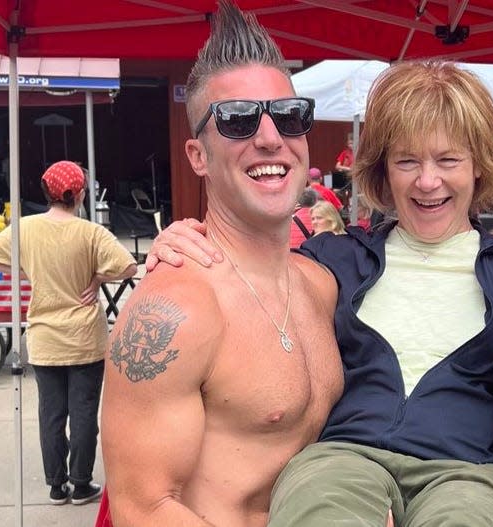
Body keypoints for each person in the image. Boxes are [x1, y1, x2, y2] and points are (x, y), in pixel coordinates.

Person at [147, 60, 493, 527]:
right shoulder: (333, 259)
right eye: (407, 160)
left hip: (469, 470)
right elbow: (248, 268)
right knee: (321, 508)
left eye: (448, 160)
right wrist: (182, 241)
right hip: (345, 458)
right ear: (383, 171)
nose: (427, 181)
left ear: (479, 167)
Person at [99, 2, 343, 525]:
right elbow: (141, 508)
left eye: (288, 115)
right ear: (197, 156)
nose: (270, 137)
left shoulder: (321, 284)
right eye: (236, 121)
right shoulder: (175, 310)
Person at [0, 160, 136, 506]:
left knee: (51, 415)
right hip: (84, 340)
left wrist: (27, 270)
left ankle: (56, 485)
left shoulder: (26, 228)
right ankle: (81, 483)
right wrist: (96, 279)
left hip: (45, 338)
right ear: (79, 193)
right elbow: (127, 265)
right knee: (83, 415)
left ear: (47, 191)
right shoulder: (90, 233)